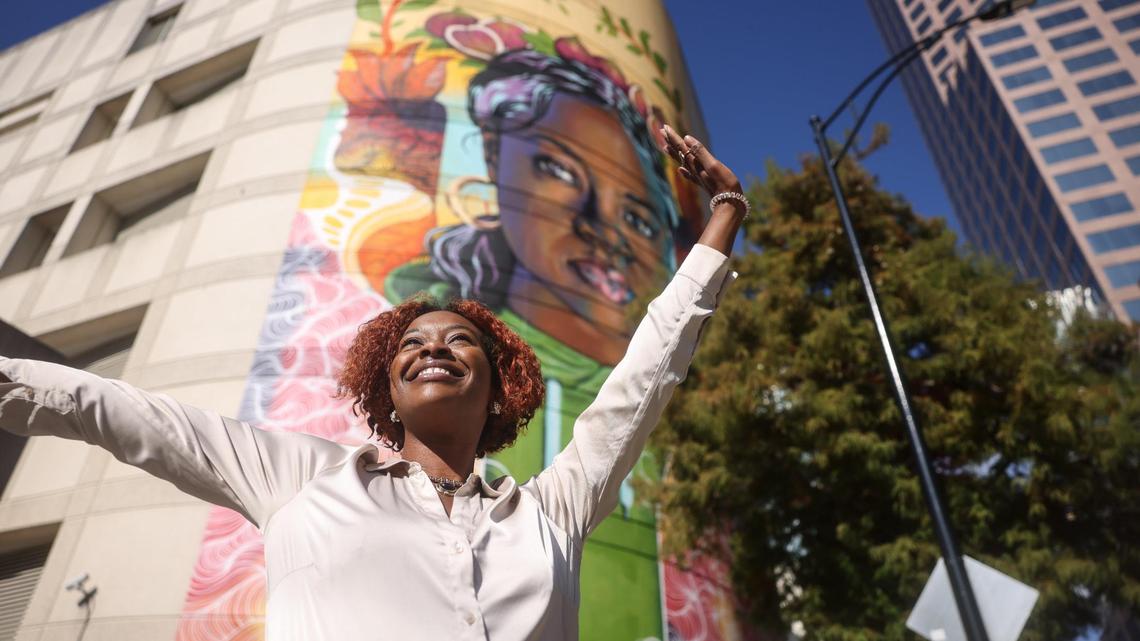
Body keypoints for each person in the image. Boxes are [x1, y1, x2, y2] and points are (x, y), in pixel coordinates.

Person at [0, 126, 747, 640]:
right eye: (412, 345)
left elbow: (647, 374)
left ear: (499, 388)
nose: (436, 349)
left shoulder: (551, 512)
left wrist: (724, 216)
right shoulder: (299, 476)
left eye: (462, 343)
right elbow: (118, 411)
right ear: (386, 388)